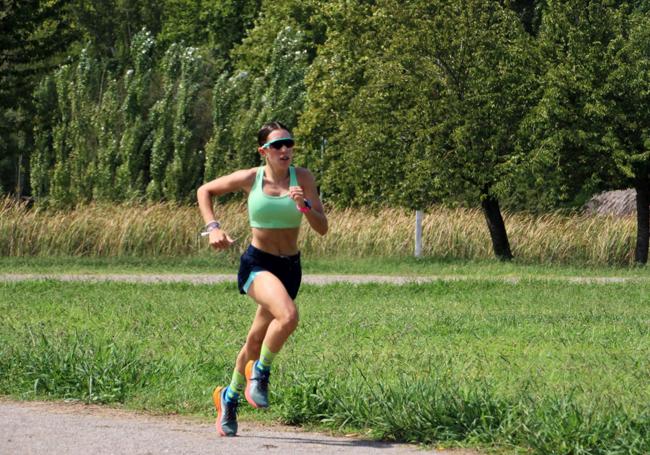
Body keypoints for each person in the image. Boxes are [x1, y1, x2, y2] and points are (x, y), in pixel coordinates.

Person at [196, 121, 328, 437]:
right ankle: (261, 372)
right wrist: (213, 227)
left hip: (289, 268)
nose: (285, 150)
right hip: (258, 264)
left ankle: (227, 397)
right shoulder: (251, 178)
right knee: (289, 316)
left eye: (289, 143)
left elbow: (322, 227)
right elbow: (205, 190)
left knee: (255, 341)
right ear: (263, 151)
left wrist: (304, 205)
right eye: (277, 145)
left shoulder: (304, 178)